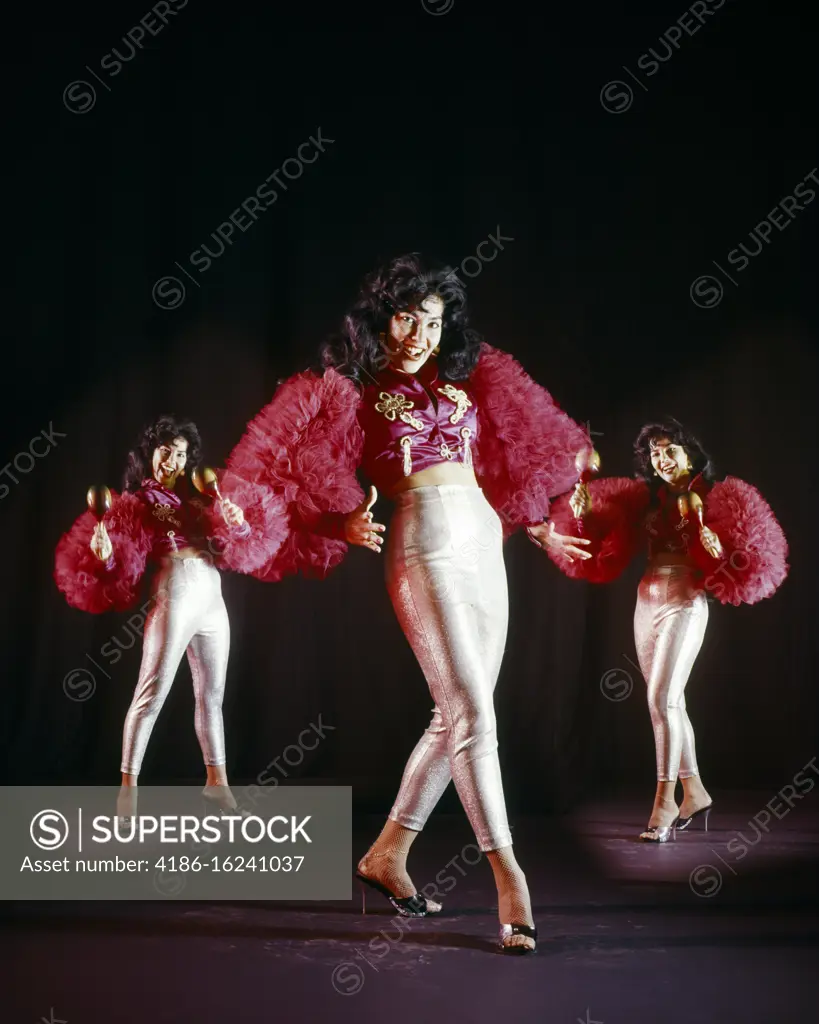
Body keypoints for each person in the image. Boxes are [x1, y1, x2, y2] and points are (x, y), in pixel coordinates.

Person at [224, 254, 593, 952]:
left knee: (454, 711)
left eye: (432, 319)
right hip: (421, 541)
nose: (419, 333)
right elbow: (272, 468)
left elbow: (509, 457)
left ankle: (385, 854)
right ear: (378, 317)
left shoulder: (466, 380)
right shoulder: (345, 388)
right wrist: (337, 523)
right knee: (473, 714)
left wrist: (539, 525)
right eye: (405, 316)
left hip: (484, 539)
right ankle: (509, 877)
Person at [544, 418, 788, 841]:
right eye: (655, 453)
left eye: (669, 450)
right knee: (667, 703)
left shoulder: (715, 496)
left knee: (663, 699)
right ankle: (695, 791)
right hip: (646, 599)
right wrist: (581, 516)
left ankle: (665, 801)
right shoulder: (646, 500)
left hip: (686, 601)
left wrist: (717, 548)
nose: (661, 458)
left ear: (689, 453)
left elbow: (742, 560)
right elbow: (599, 542)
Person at [54, 415, 286, 818]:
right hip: (175, 589)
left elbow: (235, 547)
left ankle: (218, 784)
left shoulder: (193, 501)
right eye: (166, 452)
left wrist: (239, 525)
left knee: (212, 695)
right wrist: (105, 557)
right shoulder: (133, 502)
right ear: (150, 454)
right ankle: (128, 790)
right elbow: (118, 568)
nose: (173, 461)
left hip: (212, 594)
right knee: (151, 693)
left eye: (180, 454)